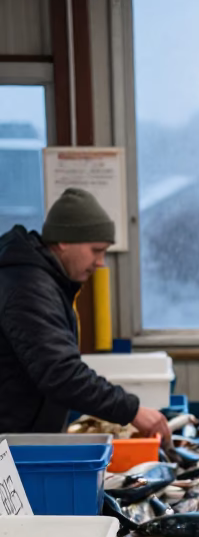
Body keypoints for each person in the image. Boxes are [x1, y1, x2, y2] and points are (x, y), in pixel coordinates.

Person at [0, 187, 170, 439]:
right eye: (96, 250)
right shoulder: (29, 287)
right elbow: (61, 373)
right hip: (7, 446)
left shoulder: (46, 281)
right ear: (64, 241)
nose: (101, 262)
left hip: (21, 439)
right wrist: (132, 411)